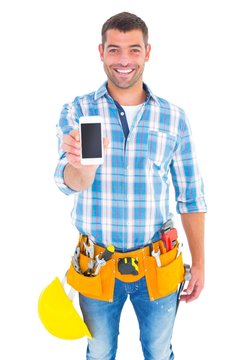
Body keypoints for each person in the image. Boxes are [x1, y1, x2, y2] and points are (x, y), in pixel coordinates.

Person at [54, 11, 207, 360]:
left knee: (157, 350)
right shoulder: (77, 110)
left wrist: (199, 263)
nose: (124, 60)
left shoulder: (173, 118)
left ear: (148, 53)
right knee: (100, 350)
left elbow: (191, 197)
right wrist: (86, 167)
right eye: (115, 50)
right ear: (101, 51)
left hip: (158, 265)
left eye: (134, 50)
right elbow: (68, 181)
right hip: (96, 266)